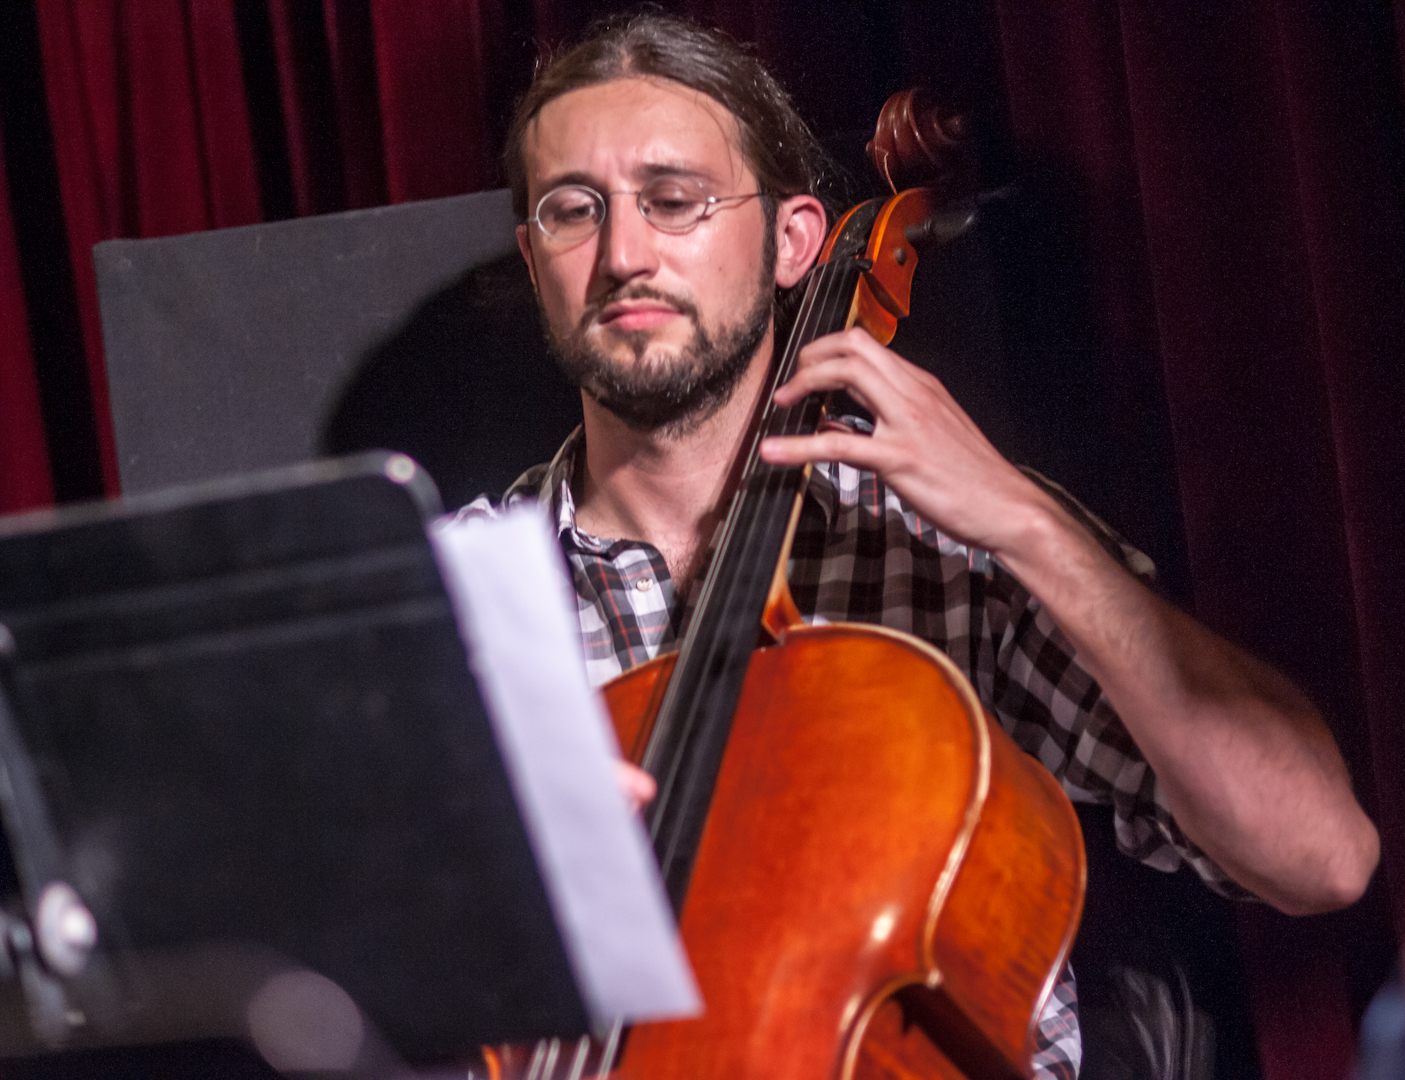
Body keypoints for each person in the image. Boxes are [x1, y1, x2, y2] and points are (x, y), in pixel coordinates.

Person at [456, 13, 1380, 1077]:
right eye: (574, 213)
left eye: (675, 203)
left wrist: (1025, 526)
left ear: (795, 241)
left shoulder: (939, 536)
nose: (623, 255)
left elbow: (1323, 858)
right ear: (534, 258)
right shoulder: (459, 605)